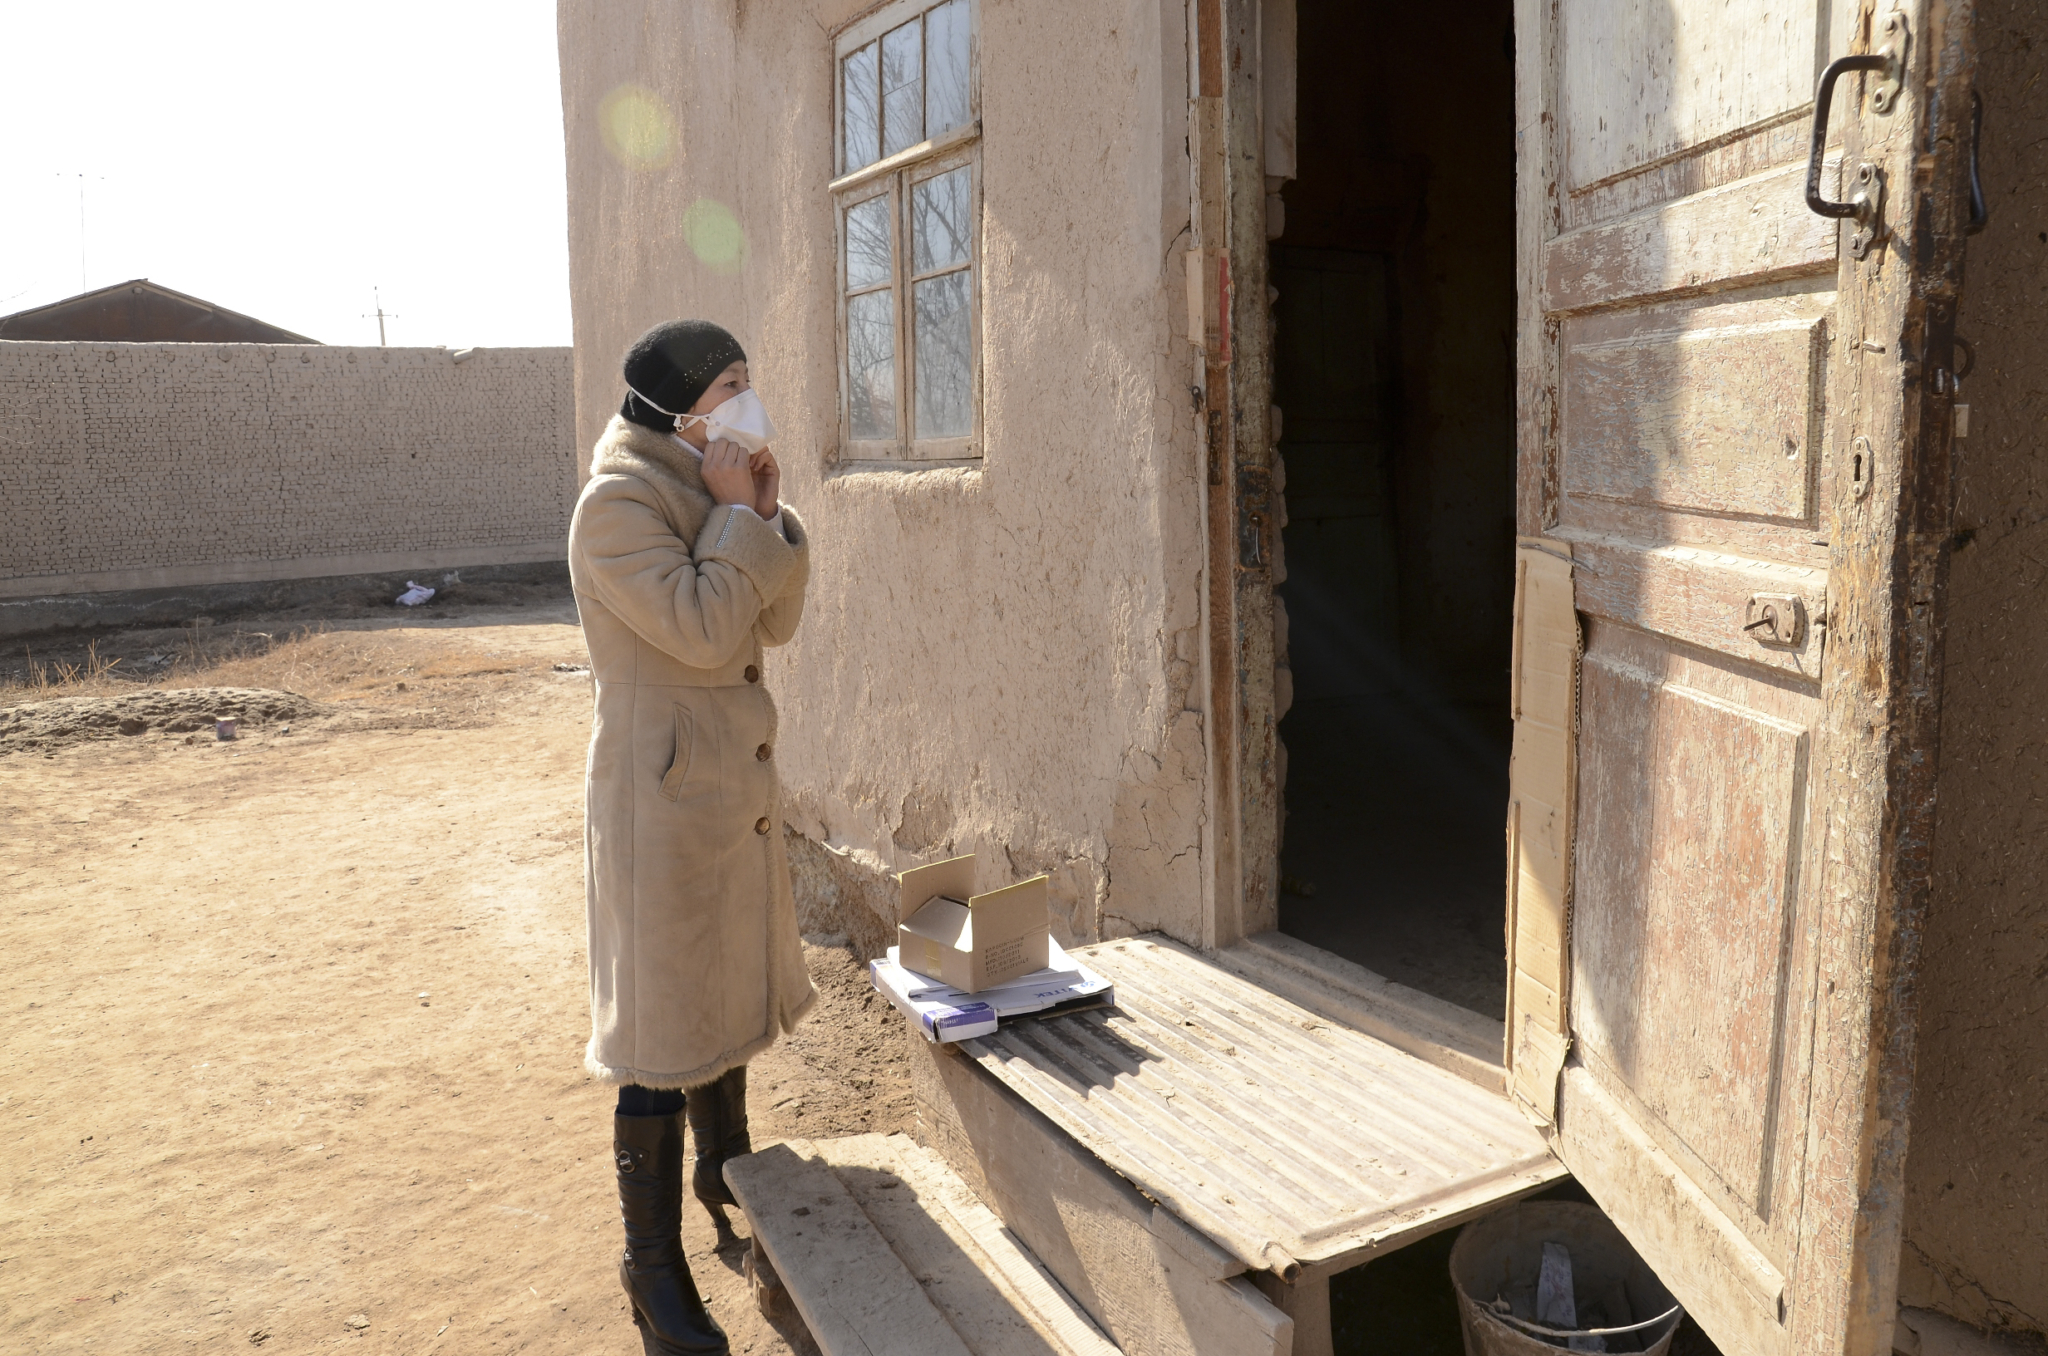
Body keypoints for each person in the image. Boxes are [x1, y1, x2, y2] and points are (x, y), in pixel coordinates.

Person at [567, 319, 816, 1355]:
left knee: (721, 983)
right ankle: (652, 1265)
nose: (746, 400)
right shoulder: (616, 509)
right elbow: (711, 630)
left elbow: (774, 624)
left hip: (723, 784)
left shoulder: (707, 492)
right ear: (678, 409)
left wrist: (765, 515)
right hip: (659, 804)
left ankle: (726, 1169)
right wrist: (730, 518)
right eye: (730, 384)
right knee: (659, 1033)